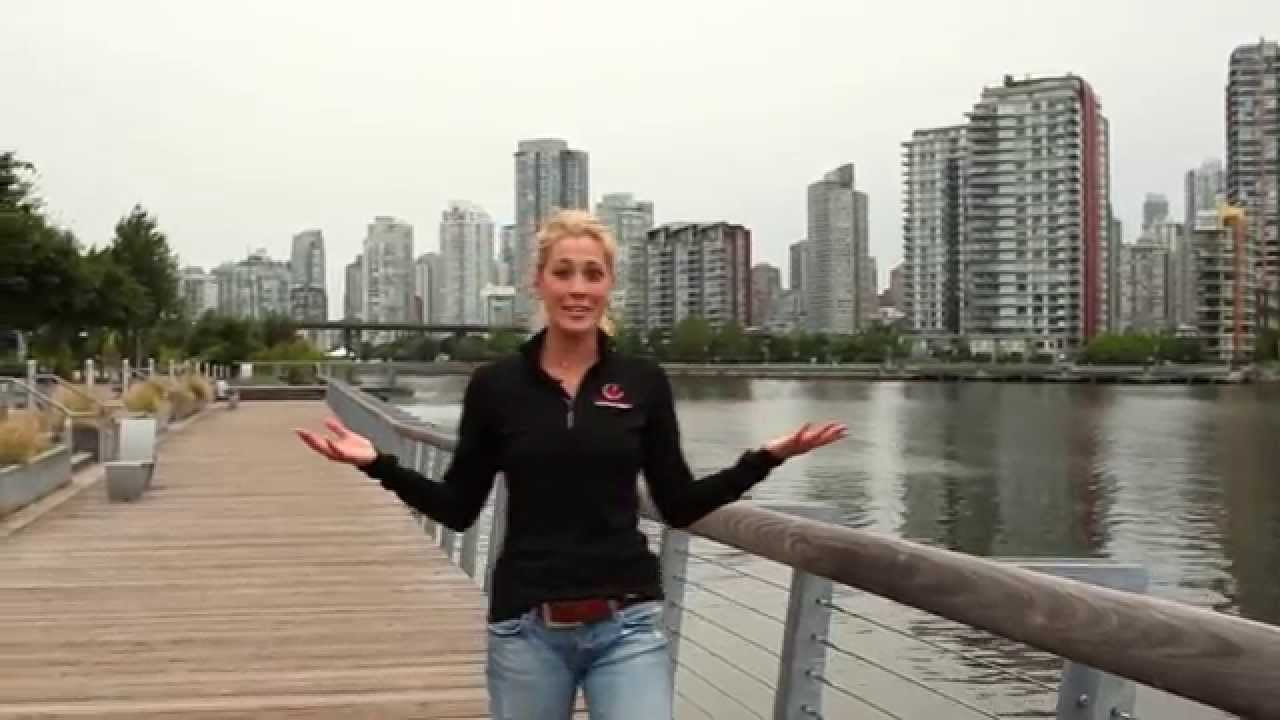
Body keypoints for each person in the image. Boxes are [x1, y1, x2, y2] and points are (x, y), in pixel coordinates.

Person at [296, 210, 846, 720]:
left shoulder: (642, 382)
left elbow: (677, 504)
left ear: (609, 286)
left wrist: (764, 460)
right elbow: (458, 507)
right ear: (539, 282)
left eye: (592, 274)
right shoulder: (496, 386)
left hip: (627, 624)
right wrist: (378, 464)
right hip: (526, 629)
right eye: (564, 273)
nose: (578, 288)